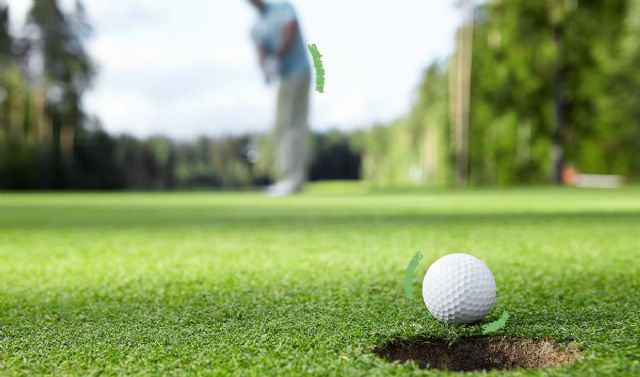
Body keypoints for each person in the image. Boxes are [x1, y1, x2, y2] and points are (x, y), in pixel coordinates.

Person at [247, 0, 311, 196]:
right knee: (280, 125)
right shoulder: (256, 26)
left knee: (293, 126)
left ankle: (293, 180)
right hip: (282, 77)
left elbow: (289, 30)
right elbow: (260, 51)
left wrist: (277, 57)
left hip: (299, 71)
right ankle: (284, 178)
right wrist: (265, 69)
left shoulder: (284, 8)